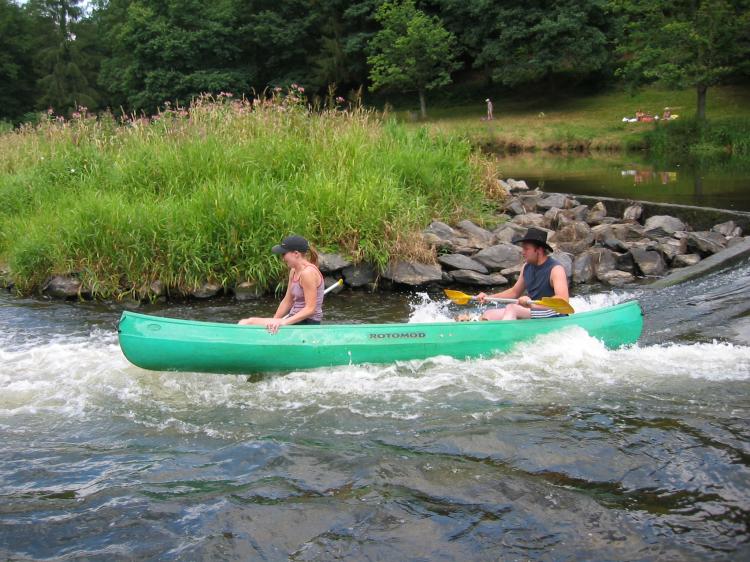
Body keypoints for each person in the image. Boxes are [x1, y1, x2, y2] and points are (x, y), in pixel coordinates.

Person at [476, 227, 569, 321]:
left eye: (526, 249)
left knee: (512, 308)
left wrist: (531, 304)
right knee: (488, 315)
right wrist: (488, 297)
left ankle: (507, 335)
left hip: (554, 313)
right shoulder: (526, 267)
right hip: (534, 311)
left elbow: (563, 299)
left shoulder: (556, 269)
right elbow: (514, 292)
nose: (523, 252)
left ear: (539, 250)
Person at [238, 235, 324, 333]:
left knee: (247, 322)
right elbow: (287, 301)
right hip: (295, 320)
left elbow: (310, 309)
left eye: (284, 254)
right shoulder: (294, 271)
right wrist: (275, 320)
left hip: (307, 323)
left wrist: (284, 322)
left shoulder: (308, 273)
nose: (282, 258)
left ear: (296, 253)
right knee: (245, 322)